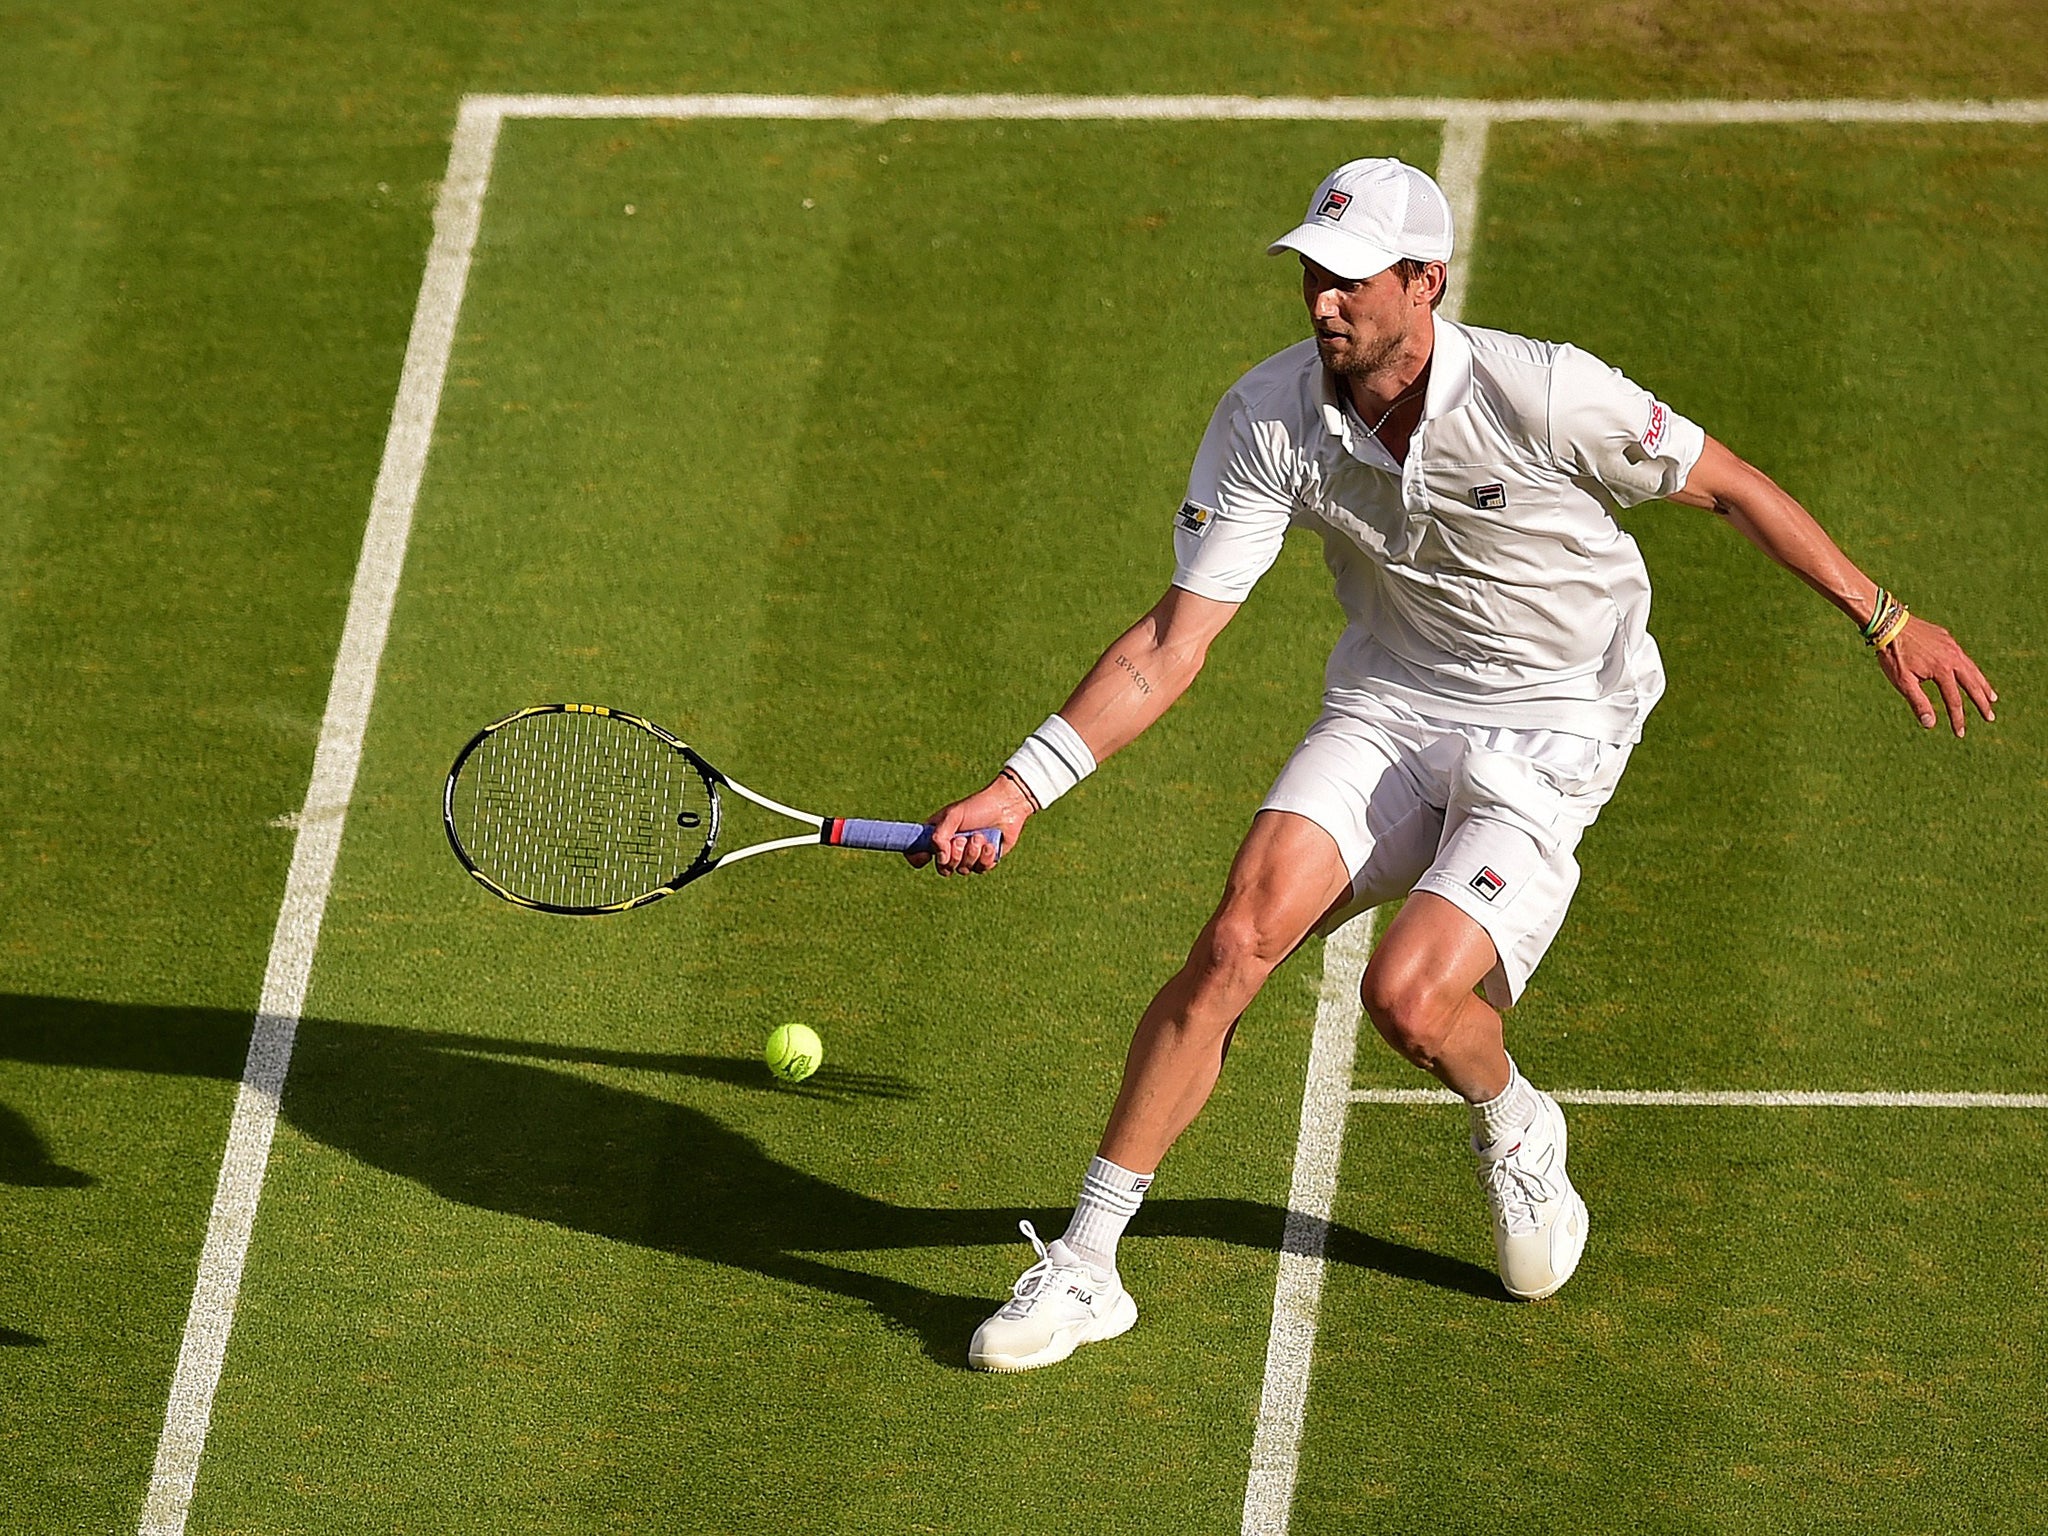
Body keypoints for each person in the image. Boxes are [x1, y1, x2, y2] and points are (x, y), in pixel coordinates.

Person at [917, 157, 1999, 1373]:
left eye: (1349, 282)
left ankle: (1514, 1119)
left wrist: (1884, 617)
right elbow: (1173, 644)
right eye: (1311, 279)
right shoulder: (1266, 418)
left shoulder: (1544, 392)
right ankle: (1087, 1265)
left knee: (1409, 1001)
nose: (1321, 304)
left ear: (1425, 282)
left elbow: (1730, 488)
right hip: (1388, 701)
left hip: (1558, 722)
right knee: (1233, 941)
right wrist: (1022, 785)